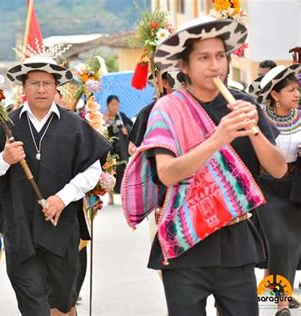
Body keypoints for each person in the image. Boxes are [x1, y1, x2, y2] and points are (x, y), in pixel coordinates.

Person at [123, 16, 287, 316]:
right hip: (186, 242)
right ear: (184, 66)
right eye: (204, 58)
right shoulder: (167, 110)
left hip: (236, 239)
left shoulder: (244, 104)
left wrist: (256, 131)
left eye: (220, 56)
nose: (215, 66)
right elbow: (167, 173)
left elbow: (278, 169)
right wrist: (218, 138)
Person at [0, 55, 110, 316]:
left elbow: (92, 170)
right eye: (34, 83)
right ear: (23, 88)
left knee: (61, 303)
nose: (40, 89)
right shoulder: (7, 125)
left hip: (61, 230)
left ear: (55, 88)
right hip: (20, 230)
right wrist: (5, 158)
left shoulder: (74, 125)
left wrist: (62, 198)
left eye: (47, 83)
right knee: (33, 305)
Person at [255, 64, 300, 316]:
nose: (297, 94)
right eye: (291, 90)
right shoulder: (259, 118)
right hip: (267, 188)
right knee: (279, 240)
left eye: (297, 90)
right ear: (275, 94)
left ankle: (283, 292)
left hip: (294, 188)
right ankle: (282, 302)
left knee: (291, 243)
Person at [104, 95, 132, 201]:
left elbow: (131, 126)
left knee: (123, 172)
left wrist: (127, 130)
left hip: (121, 149)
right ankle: (111, 195)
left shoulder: (121, 116)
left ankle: (124, 194)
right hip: (110, 148)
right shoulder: (104, 117)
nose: (115, 107)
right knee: (111, 171)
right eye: (112, 104)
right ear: (108, 105)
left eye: (116, 104)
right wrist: (105, 122)